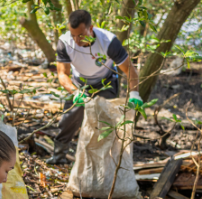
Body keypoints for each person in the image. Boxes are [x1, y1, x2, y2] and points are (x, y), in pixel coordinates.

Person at [48, 9, 143, 164]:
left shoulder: (108, 41)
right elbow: (62, 74)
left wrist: (134, 94)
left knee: (105, 123)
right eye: (73, 35)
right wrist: (76, 92)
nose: (77, 40)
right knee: (69, 119)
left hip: (105, 83)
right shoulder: (65, 42)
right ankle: (58, 156)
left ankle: (105, 162)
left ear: (91, 29)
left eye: (81, 35)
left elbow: (130, 70)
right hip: (79, 84)